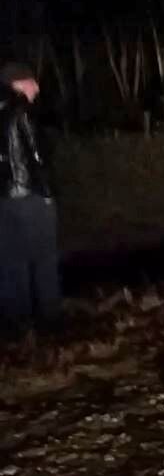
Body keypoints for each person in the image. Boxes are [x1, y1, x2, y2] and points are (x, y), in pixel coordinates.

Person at [0, 61, 59, 327]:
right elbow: (37, 156)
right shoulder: (24, 112)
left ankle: (17, 321)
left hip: (4, 200)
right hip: (29, 197)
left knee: (13, 262)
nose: (37, 86)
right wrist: (47, 193)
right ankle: (50, 318)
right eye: (32, 81)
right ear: (20, 83)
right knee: (44, 258)